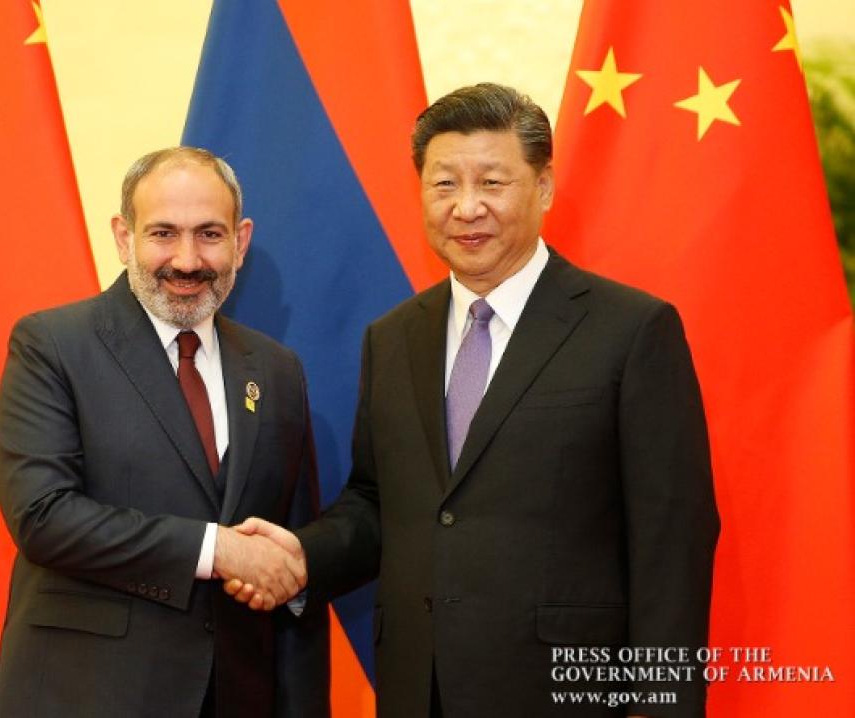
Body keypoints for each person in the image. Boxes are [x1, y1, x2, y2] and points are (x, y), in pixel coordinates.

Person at [231, 84, 719, 717]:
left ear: (543, 187)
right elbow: (380, 502)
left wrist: (660, 704)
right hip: (418, 689)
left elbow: (672, 537)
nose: (466, 208)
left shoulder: (630, 330)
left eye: (492, 182)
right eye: (444, 185)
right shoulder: (394, 337)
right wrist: (303, 557)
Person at [0, 147, 328, 718]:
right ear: (124, 238)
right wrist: (217, 549)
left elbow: (285, 554)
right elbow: (43, 517)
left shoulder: (276, 370)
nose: (187, 260)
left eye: (210, 234)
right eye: (163, 233)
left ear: (241, 241)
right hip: (87, 696)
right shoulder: (53, 345)